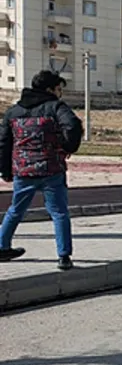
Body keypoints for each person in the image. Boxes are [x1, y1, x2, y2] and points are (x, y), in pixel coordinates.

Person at [0, 70, 83, 270]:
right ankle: (63, 256)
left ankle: (2, 247)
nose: (60, 93)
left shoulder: (13, 111)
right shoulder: (55, 107)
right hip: (51, 169)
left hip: (23, 171)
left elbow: (3, 143)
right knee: (59, 212)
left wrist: (5, 170)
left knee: (15, 210)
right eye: (58, 89)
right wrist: (67, 146)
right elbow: (72, 125)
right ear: (49, 90)